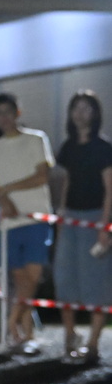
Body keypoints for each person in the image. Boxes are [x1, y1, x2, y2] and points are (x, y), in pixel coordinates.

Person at [0, 93, 54, 355]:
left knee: (32, 277)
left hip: (36, 216)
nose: (4, 117)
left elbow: (42, 176)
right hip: (9, 222)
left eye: (7, 111)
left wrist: (8, 189)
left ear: (17, 112)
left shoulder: (36, 139)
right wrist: (5, 201)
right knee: (20, 278)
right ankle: (25, 334)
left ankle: (12, 322)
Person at [54, 91, 112, 365]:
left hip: (94, 217)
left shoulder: (104, 147)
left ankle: (93, 343)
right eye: (76, 107)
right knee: (65, 276)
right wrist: (62, 212)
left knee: (95, 279)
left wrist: (105, 225)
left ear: (95, 113)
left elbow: (110, 188)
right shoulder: (68, 147)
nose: (80, 113)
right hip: (71, 218)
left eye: (86, 108)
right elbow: (67, 181)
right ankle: (69, 336)